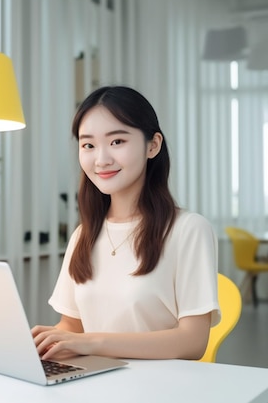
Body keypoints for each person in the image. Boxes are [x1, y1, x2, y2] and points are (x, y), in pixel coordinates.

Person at [31, 86, 220, 361]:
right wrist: (43, 343)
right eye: (88, 145)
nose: (102, 159)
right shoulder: (83, 235)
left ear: (153, 145)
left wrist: (91, 343)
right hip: (94, 382)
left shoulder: (188, 230)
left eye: (117, 142)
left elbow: (193, 341)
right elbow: (72, 326)